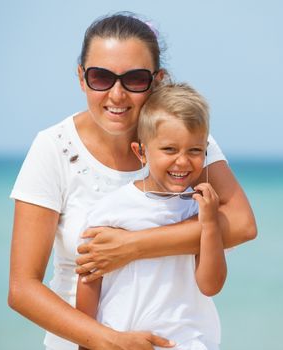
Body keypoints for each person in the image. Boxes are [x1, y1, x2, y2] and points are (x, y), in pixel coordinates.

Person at [8, 12, 257, 350]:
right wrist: (107, 341)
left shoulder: (187, 147)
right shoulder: (54, 149)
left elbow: (242, 224)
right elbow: (22, 288)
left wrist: (130, 247)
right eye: (101, 77)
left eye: (135, 79)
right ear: (82, 78)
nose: (116, 94)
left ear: (157, 80)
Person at [77, 83, 227, 350]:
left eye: (194, 151)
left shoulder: (198, 209)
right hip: (122, 340)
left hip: (189, 343)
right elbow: (89, 280)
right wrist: (89, 343)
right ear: (142, 152)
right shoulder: (112, 209)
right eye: (169, 150)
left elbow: (210, 285)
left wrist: (211, 225)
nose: (182, 161)